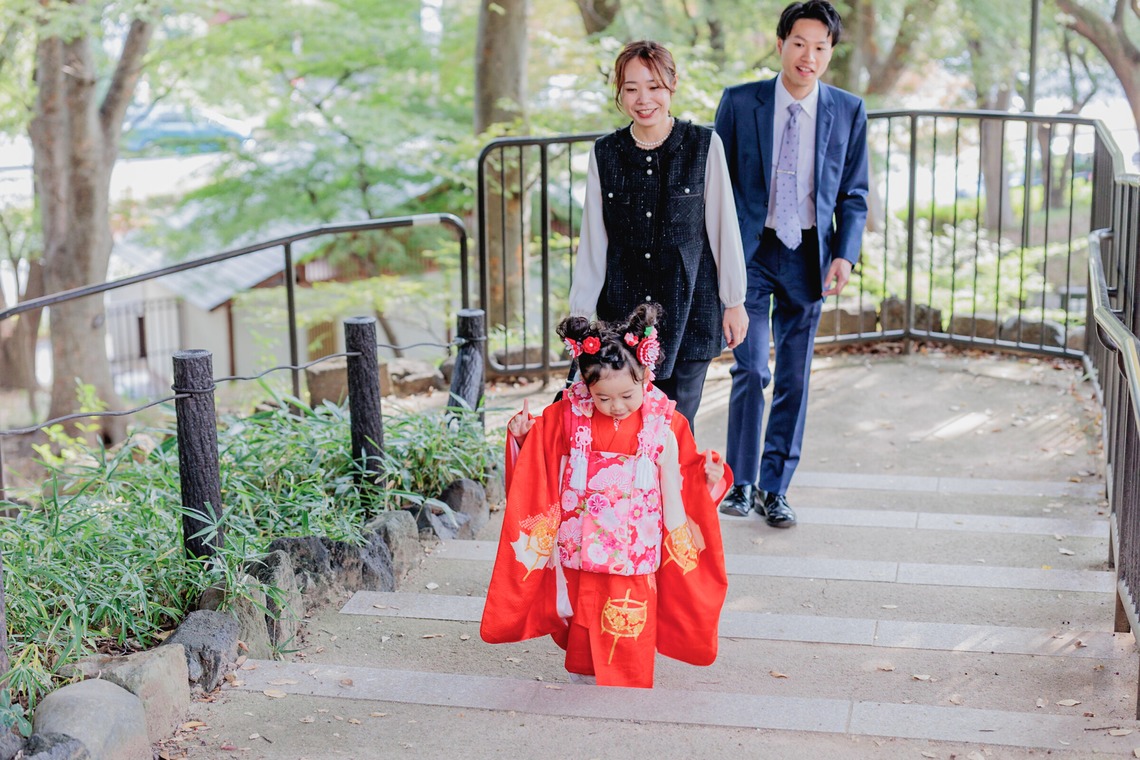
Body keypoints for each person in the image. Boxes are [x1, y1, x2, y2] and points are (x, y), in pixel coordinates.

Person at [480, 304, 730, 688]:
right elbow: (541, 452)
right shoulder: (569, 413)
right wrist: (521, 436)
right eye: (603, 398)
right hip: (580, 535)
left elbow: (688, 468)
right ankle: (584, 674)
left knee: (630, 611)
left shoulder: (665, 419)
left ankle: (627, 682)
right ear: (585, 384)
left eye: (628, 395)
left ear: (646, 376)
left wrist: (709, 474)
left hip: (635, 540)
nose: (616, 406)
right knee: (585, 604)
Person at [713, 0, 869, 527]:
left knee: (794, 378)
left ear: (830, 52)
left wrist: (845, 253)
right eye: (799, 43)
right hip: (751, 254)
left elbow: (854, 192)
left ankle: (775, 488)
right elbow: (719, 186)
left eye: (821, 47)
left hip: (809, 254)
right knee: (752, 366)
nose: (809, 56)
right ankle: (740, 482)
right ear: (780, 45)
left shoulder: (847, 110)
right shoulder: (739, 103)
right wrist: (721, 257)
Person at [568, 40, 748, 429]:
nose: (643, 98)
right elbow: (594, 243)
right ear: (619, 93)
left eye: (653, 86)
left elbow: (723, 227)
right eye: (631, 88)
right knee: (626, 430)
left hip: (691, 308)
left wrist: (734, 300)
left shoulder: (704, 145)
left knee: (676, 430)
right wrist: (580, 317)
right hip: (622, 317)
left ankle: (675, 493)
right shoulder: (605, 154)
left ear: (672, 85)